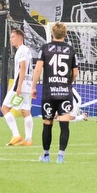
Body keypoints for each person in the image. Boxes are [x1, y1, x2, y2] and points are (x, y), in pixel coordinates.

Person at [31, 22, 78, 164]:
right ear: (65, 34)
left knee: (47, 123)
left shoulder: (45, 49)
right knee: (64, 125)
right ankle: (61, 156)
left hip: (49, 93)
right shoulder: (71, 50)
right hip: (64, 93)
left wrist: (33, 87)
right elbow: (75, 73)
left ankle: (45, 155)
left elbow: (38, 69)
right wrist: (68, 82)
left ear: (52, 34)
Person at [1, 28, 34, 146]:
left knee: (4, 108)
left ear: (20, 37)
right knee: (25, 111)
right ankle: (28, 140)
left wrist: (18, 86)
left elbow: (23, 68)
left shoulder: (21, 51)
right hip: (27, 84)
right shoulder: (27, 50)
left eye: (12, 37)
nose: (11, 40)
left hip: (21, 85)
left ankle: (16, 135)